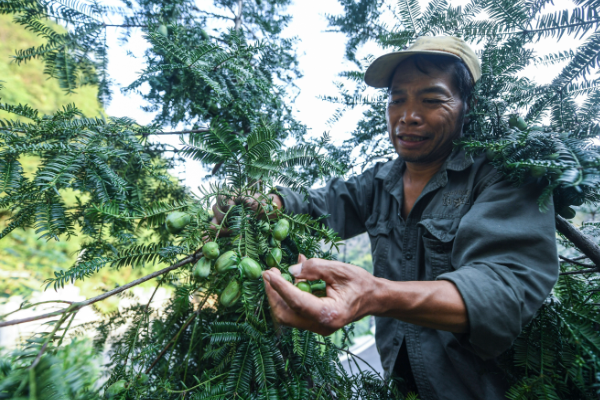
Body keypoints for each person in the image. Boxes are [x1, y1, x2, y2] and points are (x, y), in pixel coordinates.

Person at [213, 36, 559, 400]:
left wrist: (376, 295)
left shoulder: (505, 176)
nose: (407, 116)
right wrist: (267, 203)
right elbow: (320, 203)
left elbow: (502, 291)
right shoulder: (380, 182)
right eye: (397, 99)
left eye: (431, 99)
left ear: (466, 106)